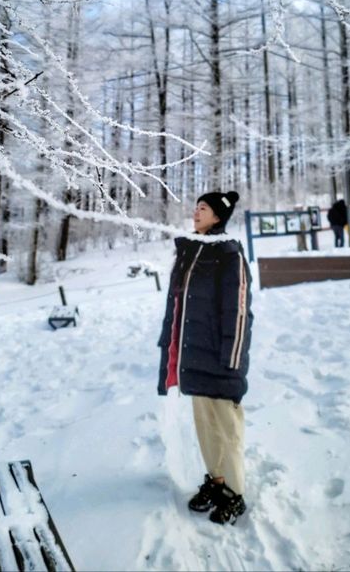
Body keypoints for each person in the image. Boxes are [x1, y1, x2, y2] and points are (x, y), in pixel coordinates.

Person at [157, 190, 253, 526]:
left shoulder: (228, 253)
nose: (196, 212)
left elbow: (238, 308)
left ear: (218, 217)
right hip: (195, 357)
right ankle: (217, 481)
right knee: (206, 427)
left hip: (220, 357)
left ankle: (236, 494)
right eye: (196, 206)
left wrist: (232, 359)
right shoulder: (193, 250)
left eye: (204, 208)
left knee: (227, 429)